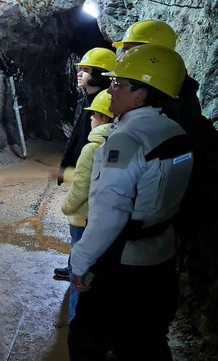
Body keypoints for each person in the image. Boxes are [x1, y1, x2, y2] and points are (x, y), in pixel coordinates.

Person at [68, 44, 194, 360]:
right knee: (148, 340)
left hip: (123, 265)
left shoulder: (127, 139)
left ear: (141, 95)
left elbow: (110, 213)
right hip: (162, 255)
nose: (111, 90)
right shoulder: (174, 131)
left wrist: (80, 261)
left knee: (89, 340)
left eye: (119, 84)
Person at [112, 19, 218, 278]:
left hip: (152, 224)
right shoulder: (181, 95)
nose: (123, 55)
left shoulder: (169, 107)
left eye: (130, 48)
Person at [53, 47, 116, 280]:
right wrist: (66, 167)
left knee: (83, 226)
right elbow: (77, 139)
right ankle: (73, 267)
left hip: (93, 174)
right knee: (78, 228)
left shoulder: (106, 104)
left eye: (86, 70)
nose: (79, 74)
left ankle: (79, 271)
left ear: (100, 73)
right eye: (80, 69)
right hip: (83, 166)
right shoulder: (86, 102)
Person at [59, 91, 114, 323]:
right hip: (104, 220)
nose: (90, 120)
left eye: (93, 116)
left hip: (82, 220)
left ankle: (76, 321)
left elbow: (81, 188)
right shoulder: (118, 143)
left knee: (78, 271)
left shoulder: (92, 148)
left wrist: (65, 207)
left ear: (101, 117)